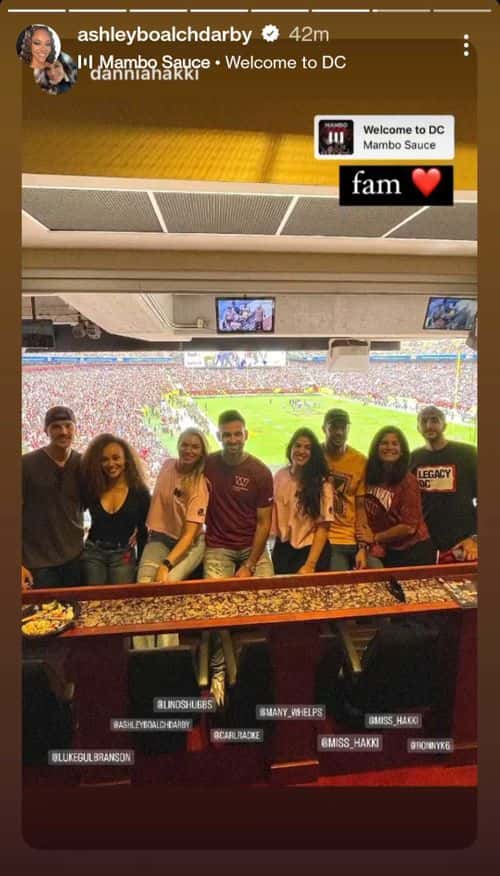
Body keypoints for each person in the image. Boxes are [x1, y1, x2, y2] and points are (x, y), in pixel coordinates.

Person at [203, 410, 274, 704]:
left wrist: (249, 565)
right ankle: (218, 668)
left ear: (246, 435)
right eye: (227, 435)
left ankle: (262, 666)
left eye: (237, 434)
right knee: (216, 608)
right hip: (218, 545)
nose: (233, 440)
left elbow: (263, 524)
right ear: (219, 436)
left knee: (270, 603)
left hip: (252, 547)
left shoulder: (260, 471)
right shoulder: (207, 466)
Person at [22, 406, 84, 589]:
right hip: (38, 562)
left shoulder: (83, 464)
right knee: (44, 615)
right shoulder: (25, 465)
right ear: (45, 430)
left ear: (75, 428)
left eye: (68, 425)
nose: (64, 432)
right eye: (56, 426)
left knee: (77, 614)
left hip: (74, 559)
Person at [137, 428, 209, 584]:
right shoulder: (167, 465)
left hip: (191, 544)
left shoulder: (199, 485)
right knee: (144, 583)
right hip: (160, 537)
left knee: (167, 581)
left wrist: (166, 565)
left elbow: (189, 536)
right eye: (185, 445)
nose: (189, 450)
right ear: (178, 446)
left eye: (195, 447)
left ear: (202, 452)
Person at [410, 405, 477, 562]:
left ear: (444, 425)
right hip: (425, 541)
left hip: (462, 541)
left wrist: (475, 537)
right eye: (424, 421)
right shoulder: (413, 459)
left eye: (434, 420)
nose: (429, 425)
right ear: (418, 428)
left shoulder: (467, 454)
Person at [81, 434, 150, 585]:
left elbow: (143, 531)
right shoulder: (93, 487)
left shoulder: (139, 492)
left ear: (126, 461)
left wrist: (140, 563)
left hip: (123, 555)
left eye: (116, 458)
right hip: (93, 553)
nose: (111, 464)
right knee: (93, 601)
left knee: (120, 601)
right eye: (104, 459)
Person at [364, 427, 434, 567]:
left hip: (412, 552)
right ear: (376, 447)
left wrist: (375, 537)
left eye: (395, 444)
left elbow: (409, 527)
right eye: (384, 443)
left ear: (402, 451)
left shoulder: (408, 481)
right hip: (386, 550)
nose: (389, 447)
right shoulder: (369, 475)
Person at [322, 409, 381, 571]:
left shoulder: (359, 461)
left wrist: (362, 546)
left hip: (353, 535)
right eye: (334, 427)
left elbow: (360, 506)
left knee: (378, 575)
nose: (339, 432)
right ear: (324, 429)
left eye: (343, 427)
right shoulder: (315, 456)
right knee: (340, 581)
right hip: (329, 537)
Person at [272, 428, 334, 574]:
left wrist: (310, 565)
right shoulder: (280, 476)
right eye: (298, 445)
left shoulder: (322, 485)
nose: (301, 451)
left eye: (307, 448)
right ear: (291, 448)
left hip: (310, 551)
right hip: (284, 548)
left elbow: (323, 528)